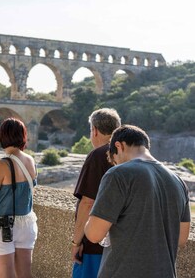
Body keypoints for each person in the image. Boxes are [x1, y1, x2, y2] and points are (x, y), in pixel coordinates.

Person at [85, 125, 191, 278]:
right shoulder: (178, 181)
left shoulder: (118, 174)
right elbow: (181, 238)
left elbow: (94, 234)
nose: (117, 165)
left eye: (116, 161)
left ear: (118, 146)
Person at [0, 117, 38, 278]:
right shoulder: (30, 160)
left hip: (2, 225)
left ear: (2, 136)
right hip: (26, 223)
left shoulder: (1, 165)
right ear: (23, 136)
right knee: (25, 275)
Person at [71, 108, 121, 278]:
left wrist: (76, 242)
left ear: (95, 130)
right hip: (119, 243)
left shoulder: (98, 155)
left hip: (94, 245)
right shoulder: (126, 155)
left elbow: (87, 203)